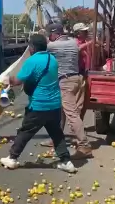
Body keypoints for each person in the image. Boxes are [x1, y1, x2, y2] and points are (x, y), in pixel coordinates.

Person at [0, 34, 77, 173]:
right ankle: (66, 161)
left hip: (39, 105)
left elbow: (17, 81)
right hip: (54, 105)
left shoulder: (32, 61)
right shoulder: (52, 59)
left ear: (32, 48)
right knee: (57, 134)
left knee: (25, 131)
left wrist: (7, 79)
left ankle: (12, 158)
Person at [40, 23, 93, 160]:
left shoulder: (53, 46)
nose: (50, 37)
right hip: (76, 79)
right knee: (61, 112)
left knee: (71, 114)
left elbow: (41, 50)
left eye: (50, 35)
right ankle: (56, 139)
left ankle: (84, 145)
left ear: (55, 34)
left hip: (65, 82)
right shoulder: (73, 43)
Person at [73, 22, 93, 120]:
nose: (86, 32)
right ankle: (76, 125)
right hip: (78, 74)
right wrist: (90, 43)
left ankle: (79, 122)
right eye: (84, 31)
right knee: (79, 102)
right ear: (78, 33)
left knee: (85, 102)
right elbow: (77, 49)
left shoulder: (84, 42)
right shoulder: (75, 42)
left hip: (85, 74)